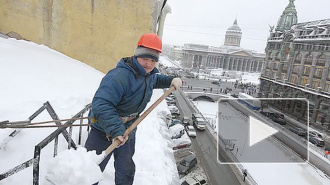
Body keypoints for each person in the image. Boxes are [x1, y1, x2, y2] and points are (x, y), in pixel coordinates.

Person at [84, 33, 182, 185]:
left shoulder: (147, 75)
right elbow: (101, 104)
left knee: (126, 170)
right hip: (104, 129)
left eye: (153, 60)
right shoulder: (119, 76)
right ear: (137, 56)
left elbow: (155, 79)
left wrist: (171, 80)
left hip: (129, 129)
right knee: (91, 170)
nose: (149, 64)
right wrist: (116, 130)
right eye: (145, 59)